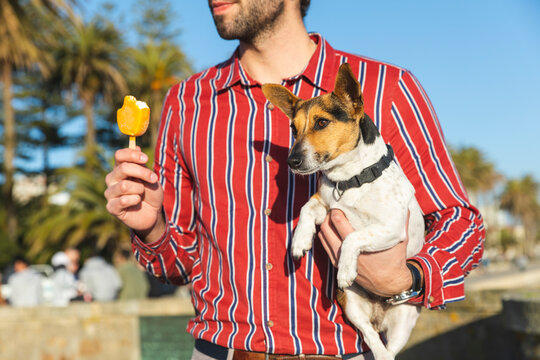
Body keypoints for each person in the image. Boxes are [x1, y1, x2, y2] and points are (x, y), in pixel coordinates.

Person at [104, 0, 485, 358]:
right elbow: (178, 264)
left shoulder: (386, 89)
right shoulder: (186, 105)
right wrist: (152, 226)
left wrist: (408, 278)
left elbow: (460, 223)